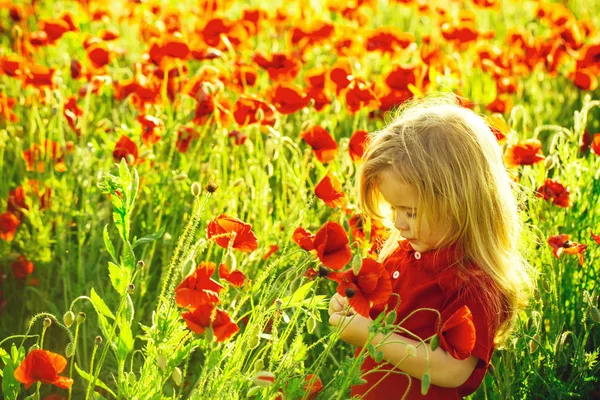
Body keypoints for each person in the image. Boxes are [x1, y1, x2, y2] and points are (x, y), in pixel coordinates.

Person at [328, 94, 533, 399]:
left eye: (410, 211)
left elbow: (453, 370)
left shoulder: (472, 282)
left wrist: (370, 335)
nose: (398, 223)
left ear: (460, 202)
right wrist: (352, 308)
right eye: (393, 208)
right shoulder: (401, 255)